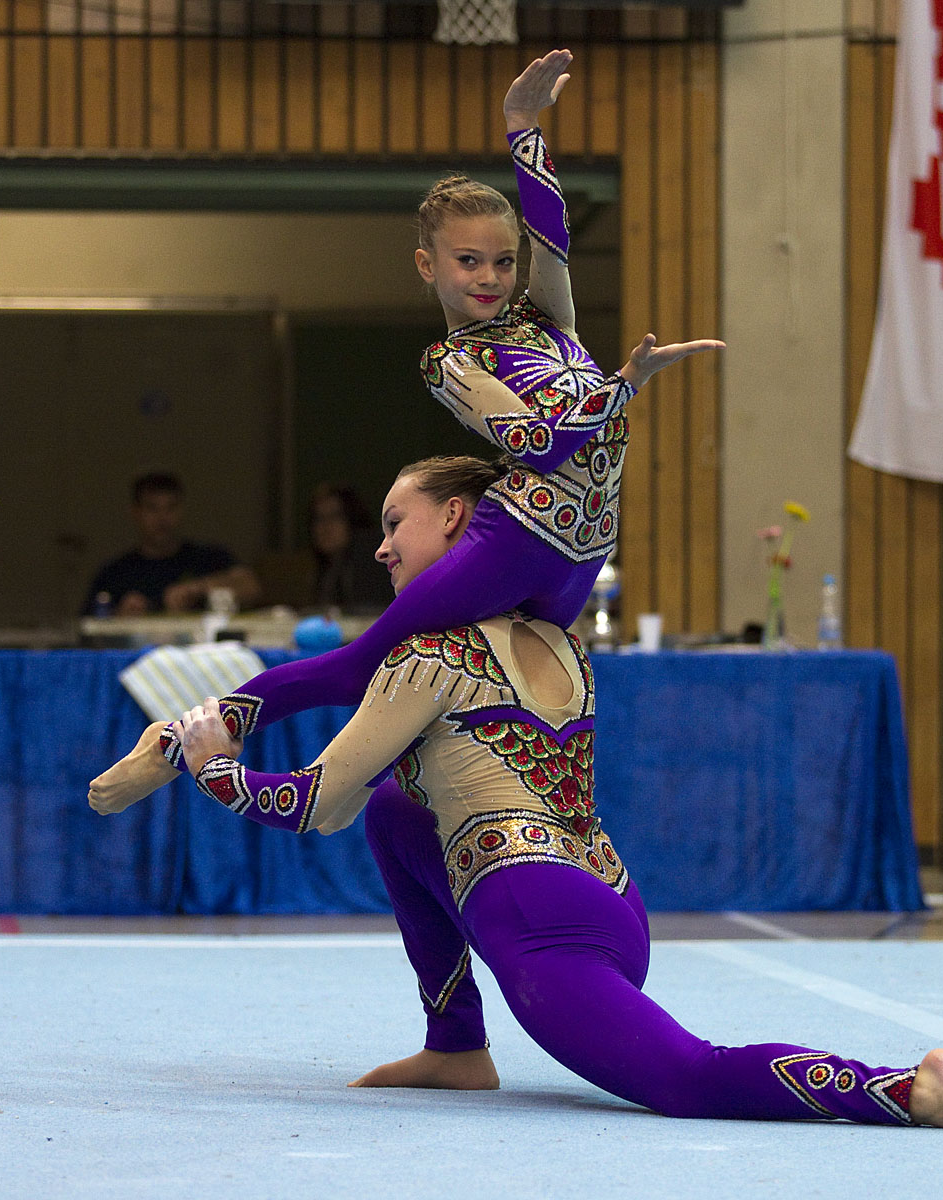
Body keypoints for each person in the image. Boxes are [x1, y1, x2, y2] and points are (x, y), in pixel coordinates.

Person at [90, 456, 943, 1131]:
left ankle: (906, 1089)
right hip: (612, 903)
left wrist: (215, 767)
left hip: (538, 925)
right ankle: (455, 1045)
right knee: (398, 811)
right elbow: (376, 791)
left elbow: (315, 805)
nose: (381, 548)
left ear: (457, 521)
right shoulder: (559, 639)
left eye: (394, 524)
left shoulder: (425, 656)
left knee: (688, 1078)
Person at [87, 49, 722, 810]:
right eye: (467, 261)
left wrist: (523, 128)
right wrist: (622, 389)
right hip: (519, 538)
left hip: (586, 547)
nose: (488, 277)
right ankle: (181, 739)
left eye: (501, 262)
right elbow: (539, 442)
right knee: (362, 664)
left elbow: (552, 236)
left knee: (508, 697)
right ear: (427, 265)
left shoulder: (550, 321)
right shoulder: (451, 360)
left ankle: (422, 809)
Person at [83, 471, 262, 616]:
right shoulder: (115, 572)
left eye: (171, 508)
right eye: (152, 508)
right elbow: (89, 624)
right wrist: (120, 615)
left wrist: (197, 588)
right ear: (136, 512)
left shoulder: (206, 557)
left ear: (181, 509)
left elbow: (251, 587)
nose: (162, 518)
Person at [306, 483, 389, 612]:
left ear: (352, 519)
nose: (325, 526)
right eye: (319, 518)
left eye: (335, 516)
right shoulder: (329, 566)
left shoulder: (372, 559)